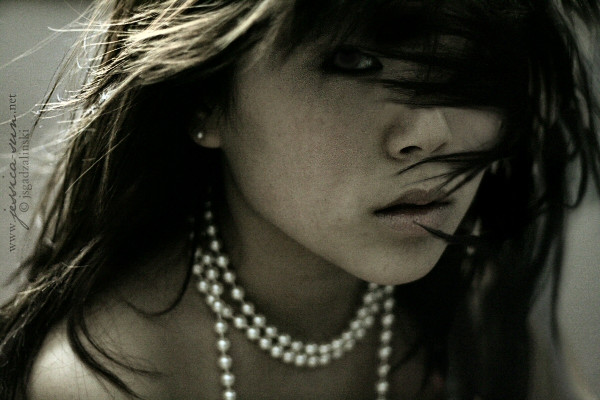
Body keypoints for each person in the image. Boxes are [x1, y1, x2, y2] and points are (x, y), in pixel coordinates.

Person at [1, 0, 599, 399]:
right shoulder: (106, 382)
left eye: (469, 64)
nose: (431, 132)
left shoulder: (484, 315)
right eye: (354, 61)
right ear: (205, 97)